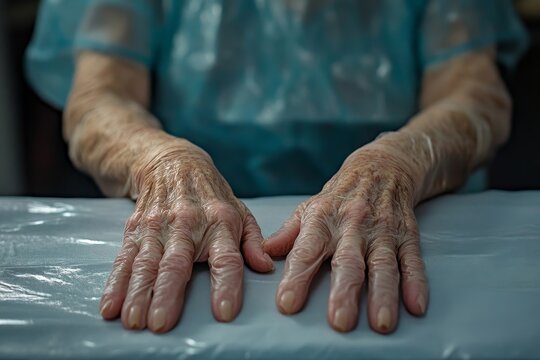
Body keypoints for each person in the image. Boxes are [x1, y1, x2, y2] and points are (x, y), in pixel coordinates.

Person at [26, 0, 527, 334]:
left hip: (400, 213)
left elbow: (471, 93)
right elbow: (99, 96)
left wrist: (396, 162)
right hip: (190, 218)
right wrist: (163, 163)